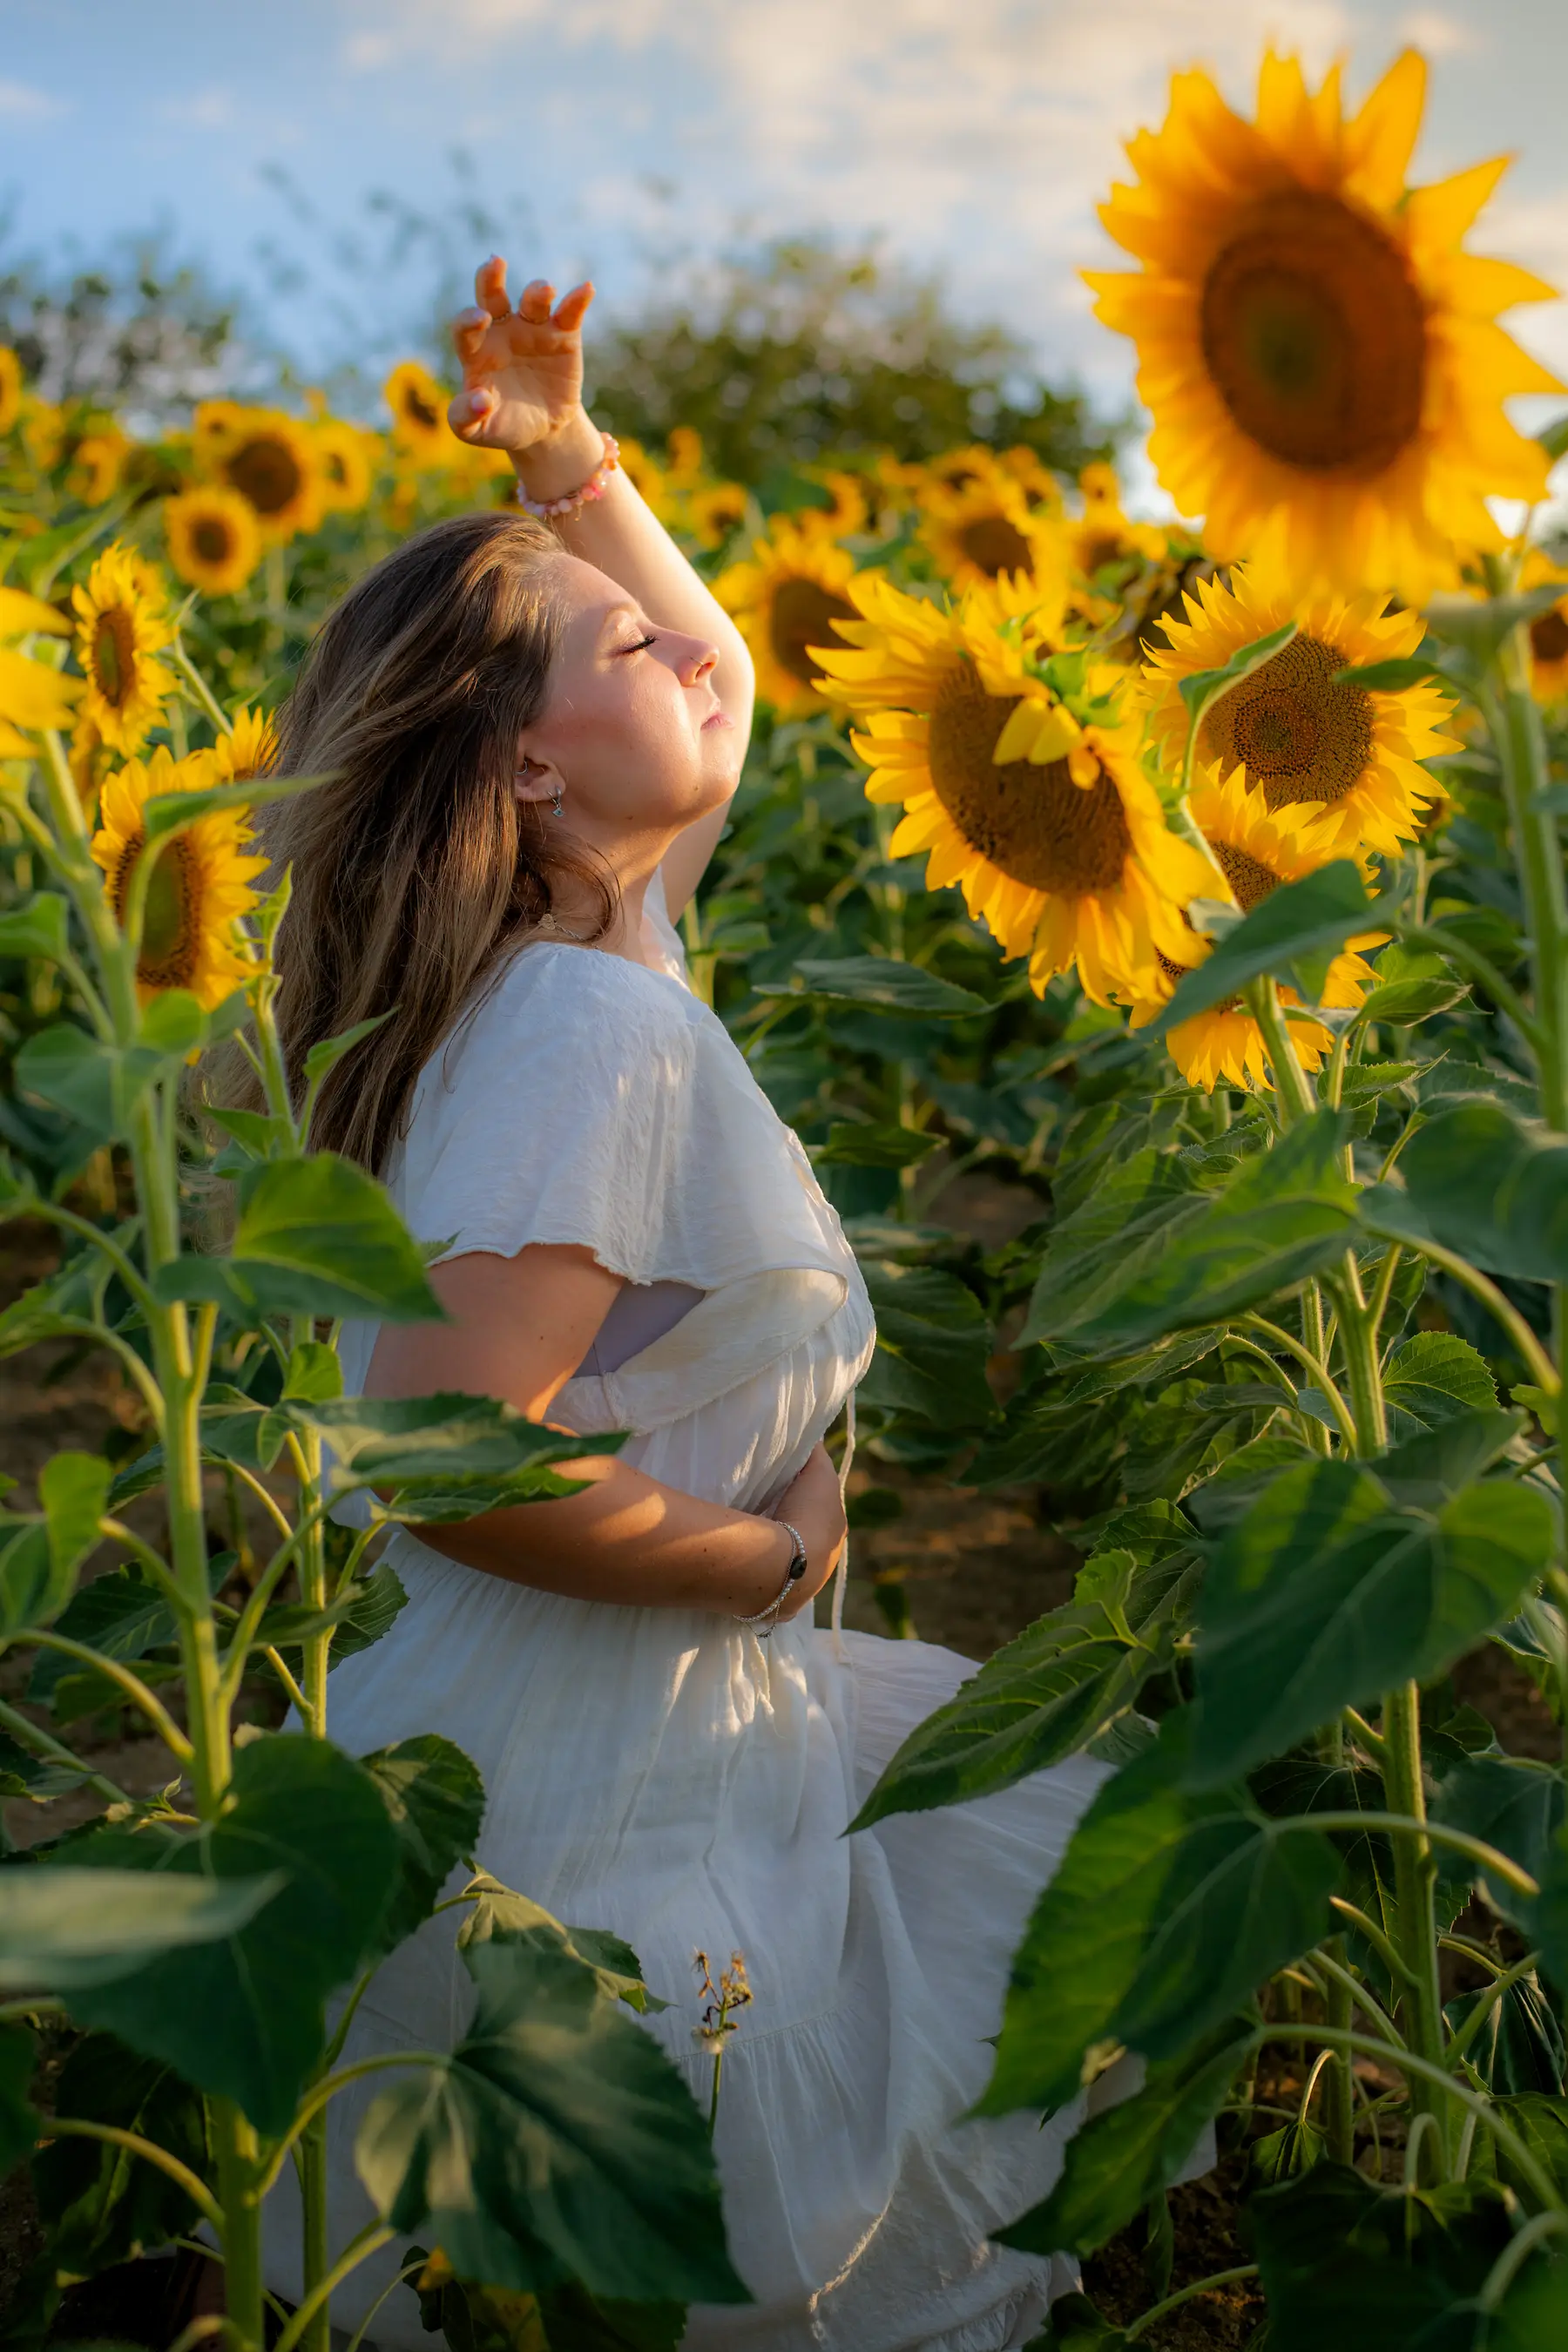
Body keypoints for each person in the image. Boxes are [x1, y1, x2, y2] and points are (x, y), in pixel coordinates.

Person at [253, 258, 1130, 2352]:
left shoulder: (599, 953)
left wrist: (568, 462)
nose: (697, 660)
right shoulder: (585, 1038)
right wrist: (766, 1556)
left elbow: (717, 674)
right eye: (619, 644)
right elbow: (454, 1458)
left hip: (621, 1720)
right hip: (600, 1752)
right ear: (535, 770)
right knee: (666, 2223)